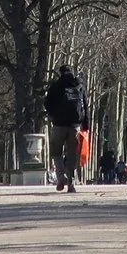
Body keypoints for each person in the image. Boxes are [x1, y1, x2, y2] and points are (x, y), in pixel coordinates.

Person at [44, 65, 89, 193]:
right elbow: (85, 106)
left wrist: (53, 115)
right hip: (75, 126)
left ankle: (60, 177)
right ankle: (71, 182)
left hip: (58, 125)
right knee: (72, 155)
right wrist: (86, 125)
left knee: (56, 153)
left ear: (60, 73)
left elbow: (47, 103)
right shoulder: (79, 85)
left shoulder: (56, 85)